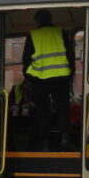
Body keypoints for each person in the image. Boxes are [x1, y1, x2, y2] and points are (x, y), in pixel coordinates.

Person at [22, 10, 74, 151]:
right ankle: (64, 138)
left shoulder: (33, 35)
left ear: (37, 21)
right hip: (61, 77)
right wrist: (70, 73)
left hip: (41, 79)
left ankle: (44, 143)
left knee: (43, 111)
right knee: (62, 108)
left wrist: (28, 77)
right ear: (51, 19)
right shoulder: (61, 32)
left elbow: (26, 60)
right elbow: (70, 54)